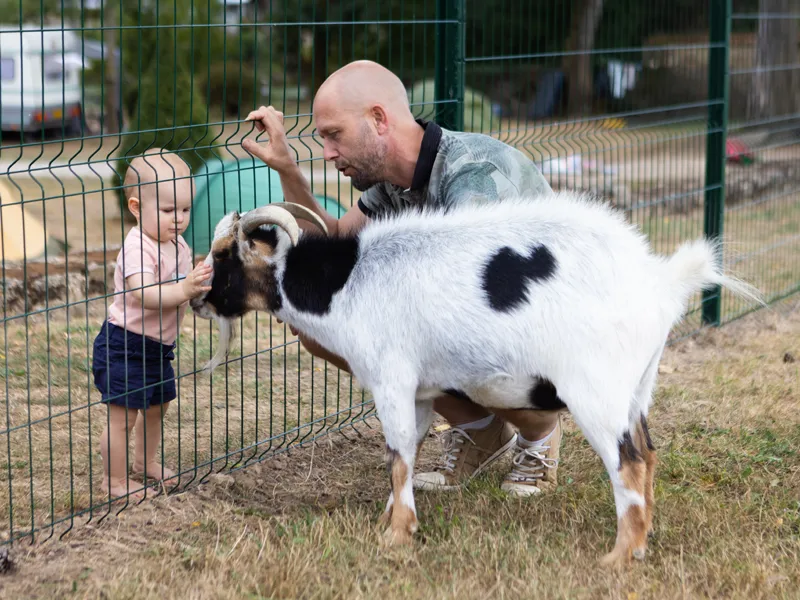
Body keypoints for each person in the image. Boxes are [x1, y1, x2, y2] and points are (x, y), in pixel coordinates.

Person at [242, 60, 563, 497]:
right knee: (319, 329)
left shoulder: (474, 177)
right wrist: (287, 169)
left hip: (545, 329)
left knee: (415, 332)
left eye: (334, 135)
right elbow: (333, 240)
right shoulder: (393, 181)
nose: (328, 153)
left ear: (378, 120)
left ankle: (540, 431)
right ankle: (481, 430)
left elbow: (471, 301)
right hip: (483, 321)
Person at [92, 148, 212, 500]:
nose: (179, 219)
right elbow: (145, 293)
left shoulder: (179, 245)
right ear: (135, 208)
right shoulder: (136, 246)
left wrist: (199, 286)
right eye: (168, 210)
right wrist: (184, 288)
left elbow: (181, 290)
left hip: (158, 348)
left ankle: (143, 462)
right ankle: (112, 482)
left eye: (185, 209)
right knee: (123, 417)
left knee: (158, 407)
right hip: (124, 344)